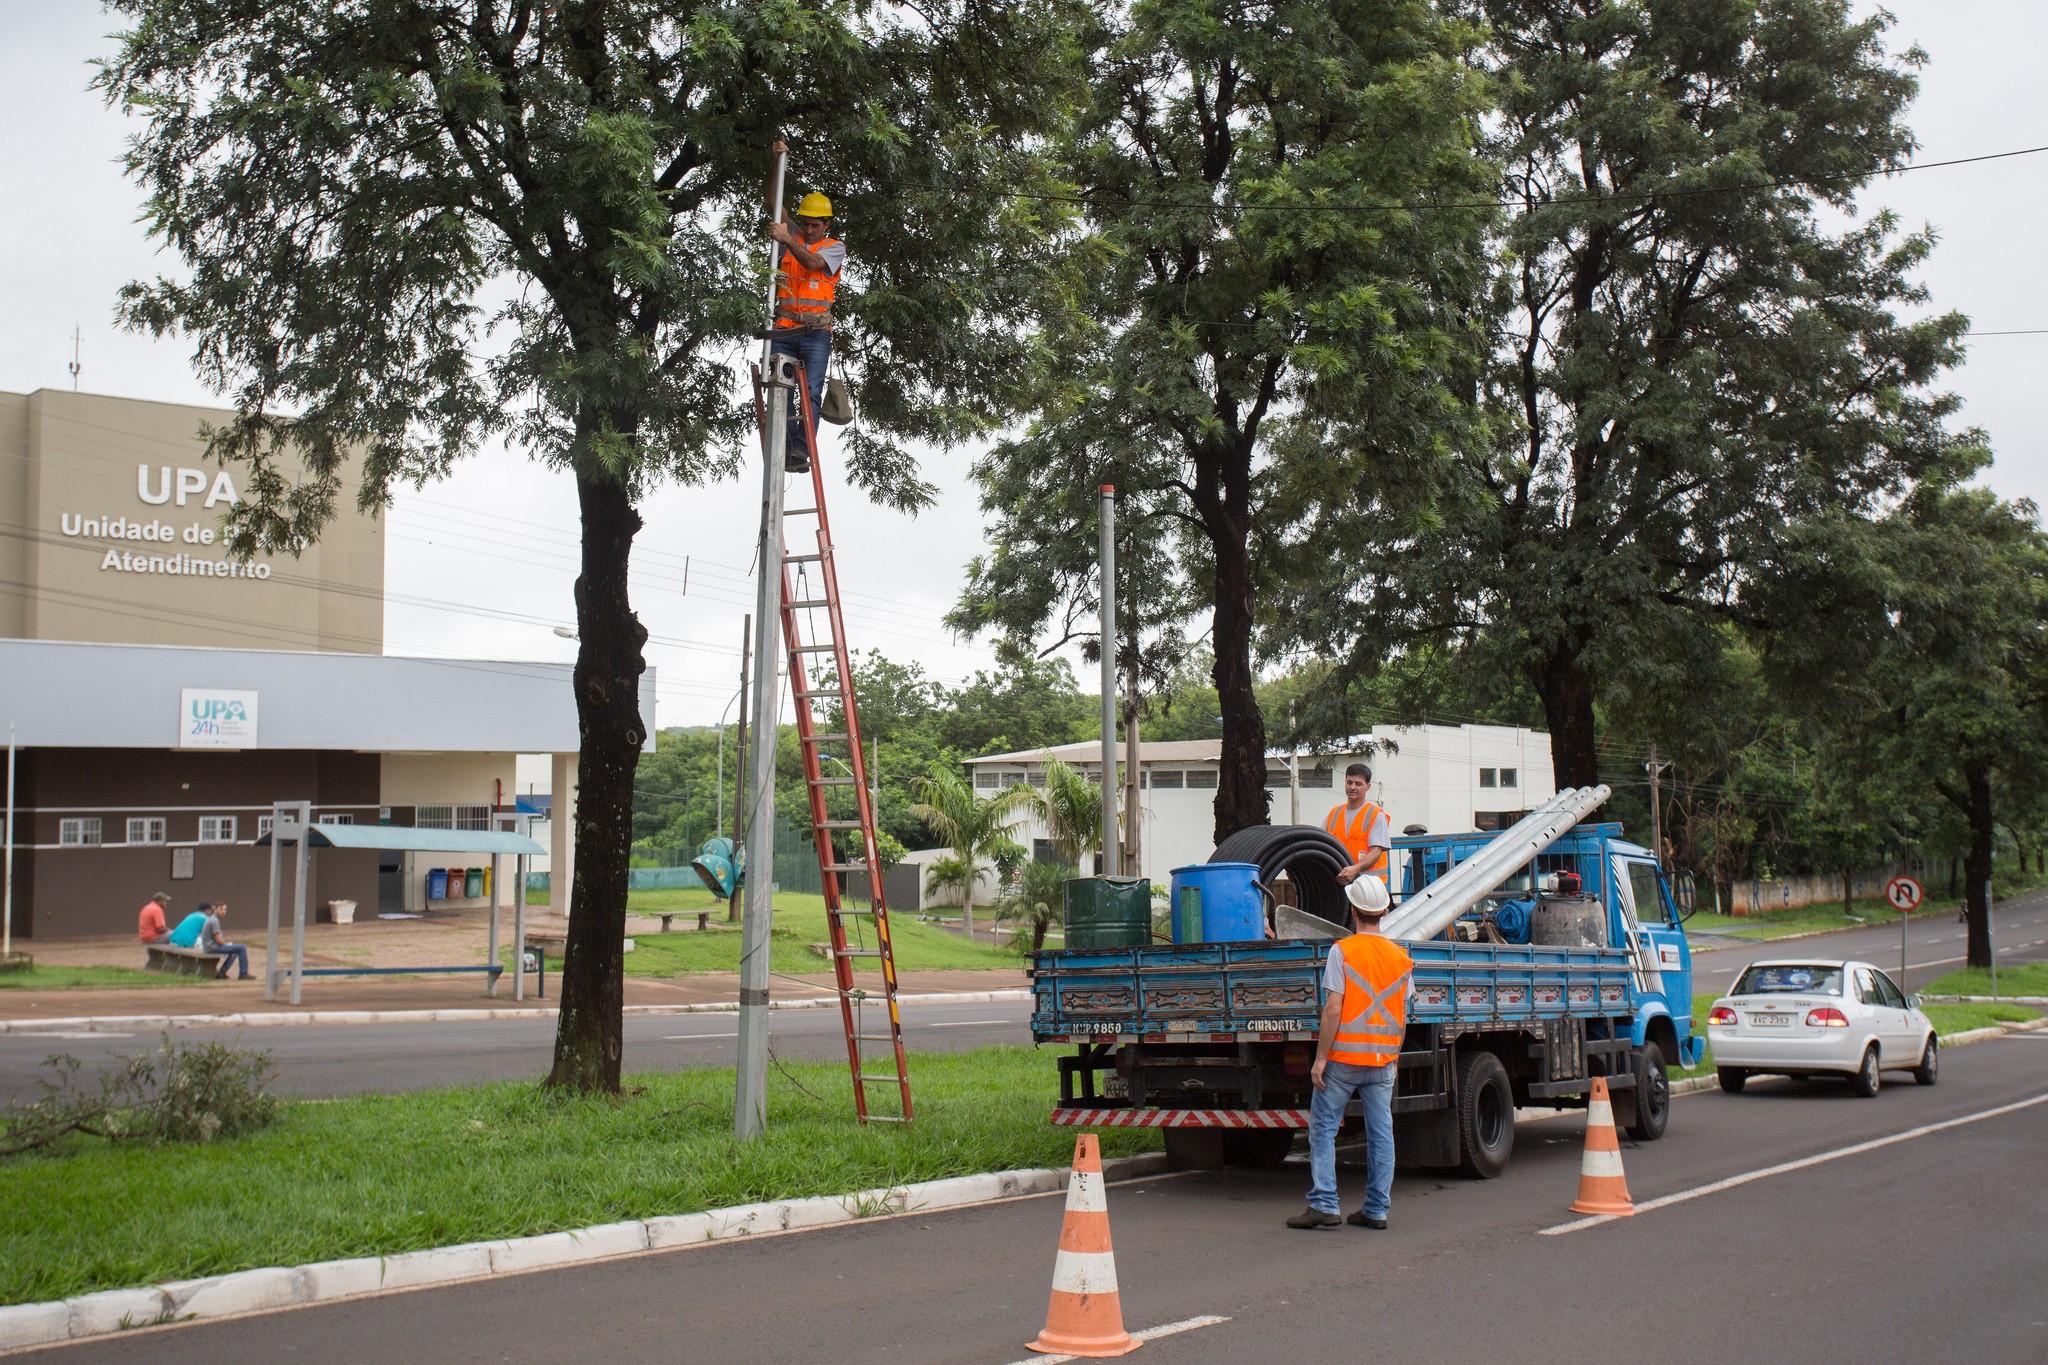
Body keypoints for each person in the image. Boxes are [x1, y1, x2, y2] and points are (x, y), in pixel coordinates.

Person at [1288, 875, 1414, 1230]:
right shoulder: (1401, 958)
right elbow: (1402, 1017)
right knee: (1381, 1133)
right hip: (1382, 1061)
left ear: (1354, 911)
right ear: (1384, 910)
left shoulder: (1342, 951)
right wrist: (1394, 1056)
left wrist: (1321, 1058)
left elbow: (1333, 1009)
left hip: (1342, 1060)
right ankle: (1376, 1210)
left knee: (1324, 1128)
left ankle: (1325, 1204)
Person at [766, 152, 844, 474]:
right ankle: (783, 445)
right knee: (777, 389)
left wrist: (786, 238)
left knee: (810, 391)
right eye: (806, 224)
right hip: (784, 330)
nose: (809, 230)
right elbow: (773, 199)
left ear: (826, 224)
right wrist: (777, 162)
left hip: (815, 334)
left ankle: (800, 448)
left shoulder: (834, 247)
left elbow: (813, 263)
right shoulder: (793, 234)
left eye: (815, 225)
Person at [1325, 763, 1391, 889]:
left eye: (1358, 784)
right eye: (1349, 782)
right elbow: (1320, 844)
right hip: (1341, 884)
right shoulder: (1334, 814)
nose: (1352, 787)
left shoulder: (1375, 814)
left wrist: (1355, 869)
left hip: (1370, 888)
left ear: (1368, 786)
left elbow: (1376, 851)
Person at [197, 903, 250, 980]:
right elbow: (219, 940)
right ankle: (243, 973)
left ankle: (222, 973)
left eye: (225, 909)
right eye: (221, 909)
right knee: (242, 948)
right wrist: (227, 945)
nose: (223, 911)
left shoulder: (213, 919)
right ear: (215, 909)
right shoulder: (214, 921)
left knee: (235, 951)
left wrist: (228, 945)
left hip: (209, 947)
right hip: (212, 948)